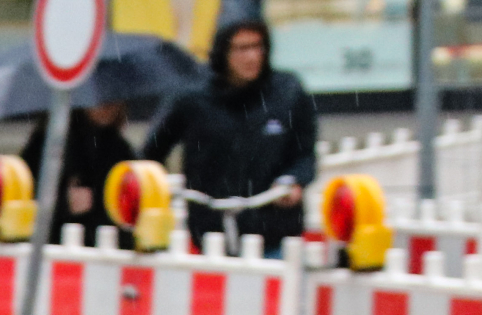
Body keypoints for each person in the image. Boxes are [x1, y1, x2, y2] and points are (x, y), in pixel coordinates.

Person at [140, 12, 314, 251]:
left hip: (274, 231)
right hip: (211, 232)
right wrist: (157, 191)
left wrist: (292, 181)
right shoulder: (193, 98)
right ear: (223, 52)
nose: (252, 57)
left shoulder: (288, 92)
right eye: (241, 49)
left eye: (258, 47)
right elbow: (152, 153)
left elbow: (305, 154)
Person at [22, 99, 136, 237]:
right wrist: (63, 203)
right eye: (99, 102)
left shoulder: (120, 149)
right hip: (56, 242)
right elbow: (25, 194)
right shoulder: (50, 143)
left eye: (114, 100)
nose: (107, 107)